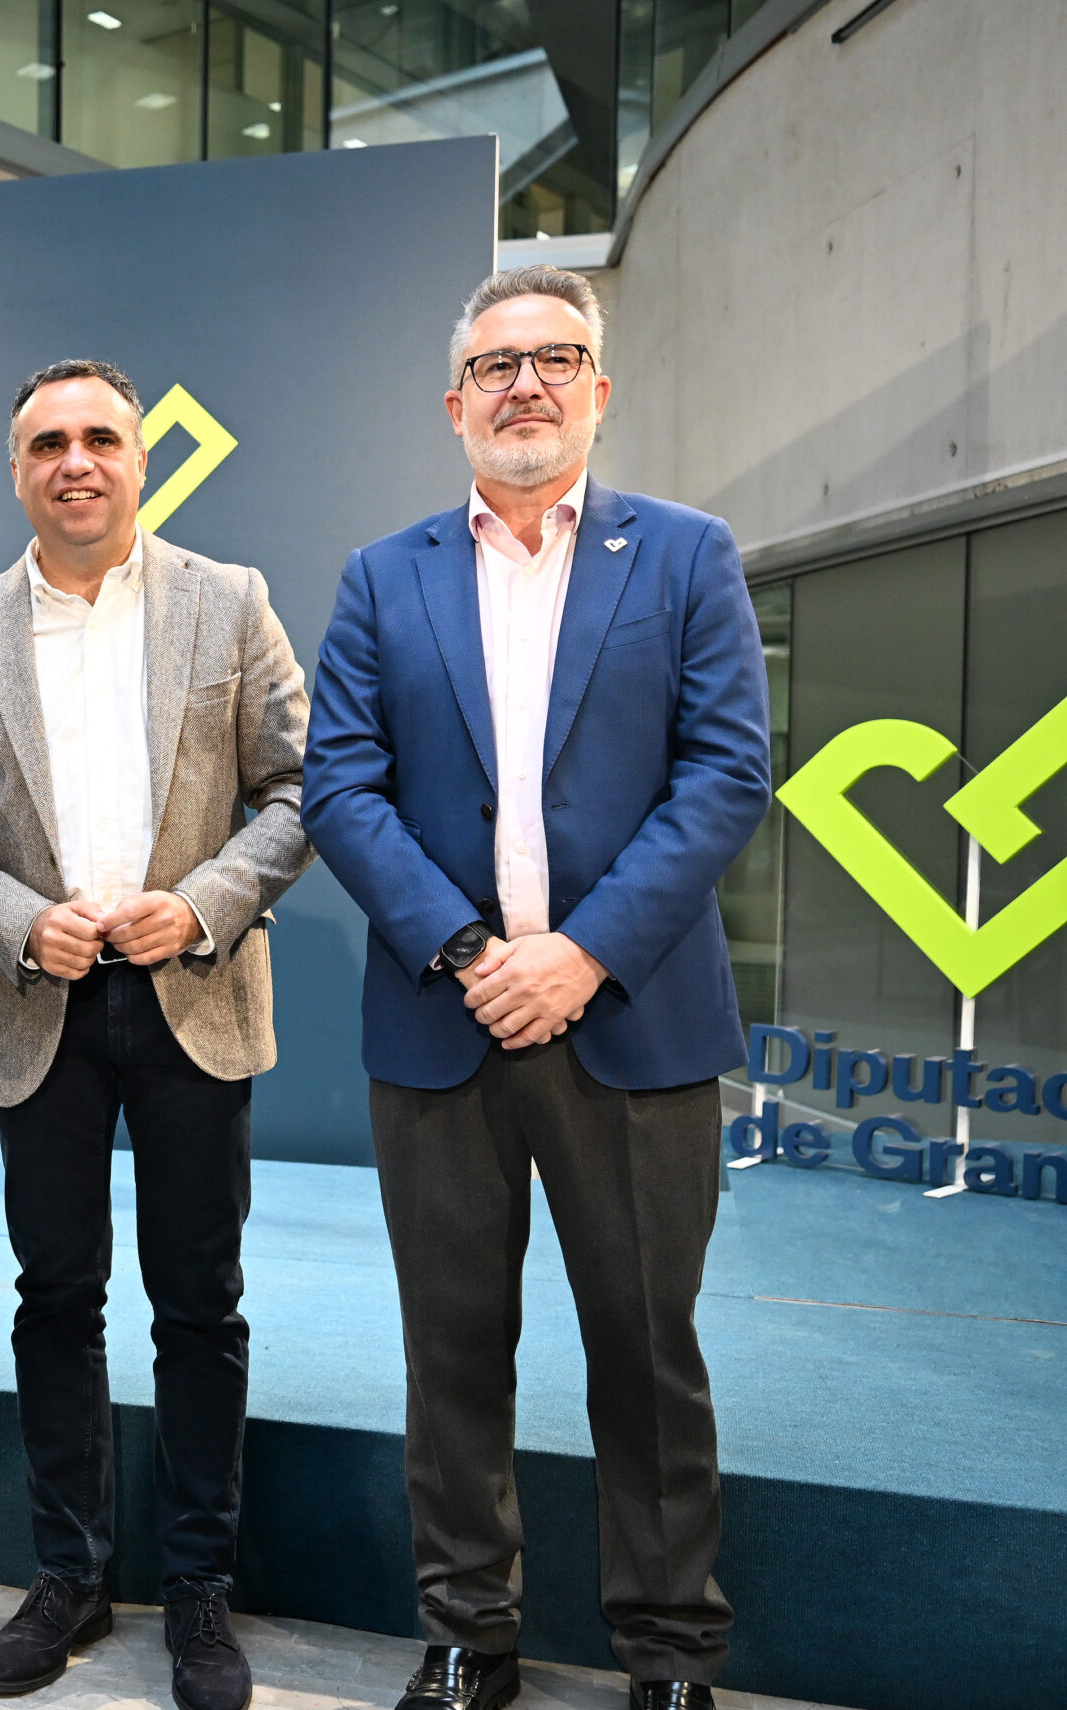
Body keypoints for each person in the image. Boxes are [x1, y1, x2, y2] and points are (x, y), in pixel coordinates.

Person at [298, 266, 770, 1710]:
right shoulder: (383, 575)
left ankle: (670, 1652)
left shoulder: (683, 554)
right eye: (496, 365)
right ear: (453, 404)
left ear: (598, 390)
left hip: (631, 1021)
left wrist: (579, 953)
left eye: (557, 357)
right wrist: (466, 950)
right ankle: (466, 1633)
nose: (526, 384)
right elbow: (340, 785)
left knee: (647, 1355)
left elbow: (725, 774)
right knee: (451, 1353)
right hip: (441, 1025)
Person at [0, 360, 313, 1710]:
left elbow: (298, 788)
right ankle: (70, 1575)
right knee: (55, 1298)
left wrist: (198, 906)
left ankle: (198, 1587)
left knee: (199, 1304)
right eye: (48, 444)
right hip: (42, 1006)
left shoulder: (229, 599)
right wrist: (24, 921)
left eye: (99, 438)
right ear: (16, 470)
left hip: (193, 993)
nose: (75, 461)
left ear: (140, 461)